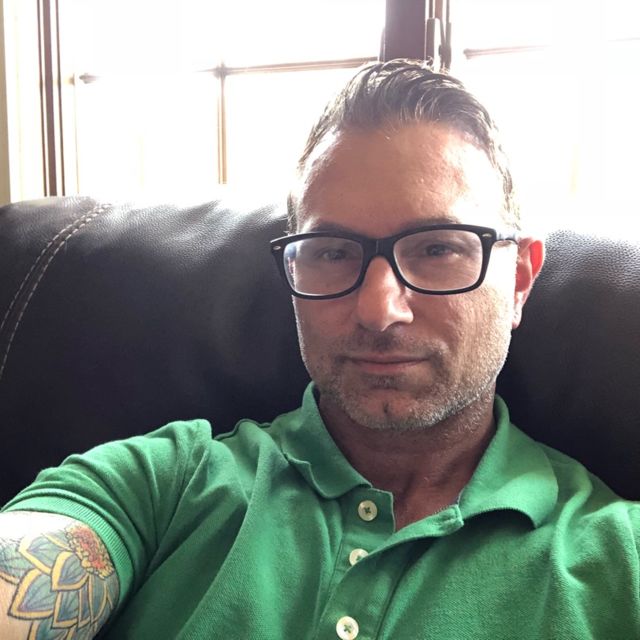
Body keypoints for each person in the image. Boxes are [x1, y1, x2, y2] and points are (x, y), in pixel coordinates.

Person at [0, 60, 638, 640]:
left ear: (520, 279)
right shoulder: (162, 485)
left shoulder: (620, 558)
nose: (379, 310)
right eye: (332, 253)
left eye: (438, 248)